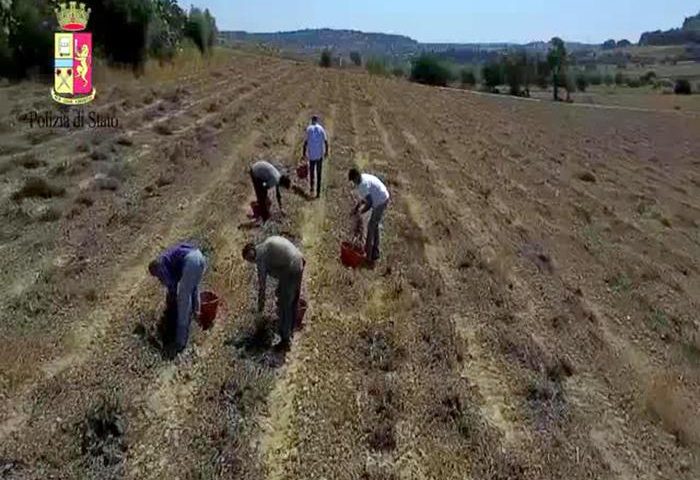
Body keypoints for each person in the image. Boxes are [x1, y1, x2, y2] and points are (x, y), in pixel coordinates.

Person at [242, 236, 305, 351]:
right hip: (298, 259)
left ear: (251, 255)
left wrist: (260, 309)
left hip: (291, 268)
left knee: (284, 304)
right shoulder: (264, 245)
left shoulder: (261, 259)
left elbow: (262, 288)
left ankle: (285, 340)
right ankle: (292, 324)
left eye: (250, 260)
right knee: (288, 296)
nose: (251, 262)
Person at [148, 243, 207, 356]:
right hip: (199, 257)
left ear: (155, 269)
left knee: (184, 297)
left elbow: (172, 284)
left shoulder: (161, 265)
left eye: (156, 275)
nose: (157, 277)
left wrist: (171, 297)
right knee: (192, 287)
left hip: (191, 261)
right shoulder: (168, 256)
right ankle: (197, 314)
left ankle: (180, 341)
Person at [348, 168, 390, 263]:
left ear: (356, 178)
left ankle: (368, 255)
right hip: (383, 196)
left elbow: (370, 202)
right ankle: (375, 252)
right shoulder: (363, 178)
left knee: (371, 227)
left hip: (381, 201)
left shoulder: (363, 185)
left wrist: (361, 212)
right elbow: (365, 199)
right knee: (375, 226)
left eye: (353, 181)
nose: (353, 183)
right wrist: (356, 208)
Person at [302, 115, 329, 198]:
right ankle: (318, 193)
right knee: (319, 173)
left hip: (312, 155)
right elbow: (326, 142)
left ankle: (311, 189)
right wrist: (326, 152)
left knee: (312, 173)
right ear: (317, 121)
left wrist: (303, 153)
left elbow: (305, 143)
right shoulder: (321, 129)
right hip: (319, 155)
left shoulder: (309, 129)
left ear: (311, 121)